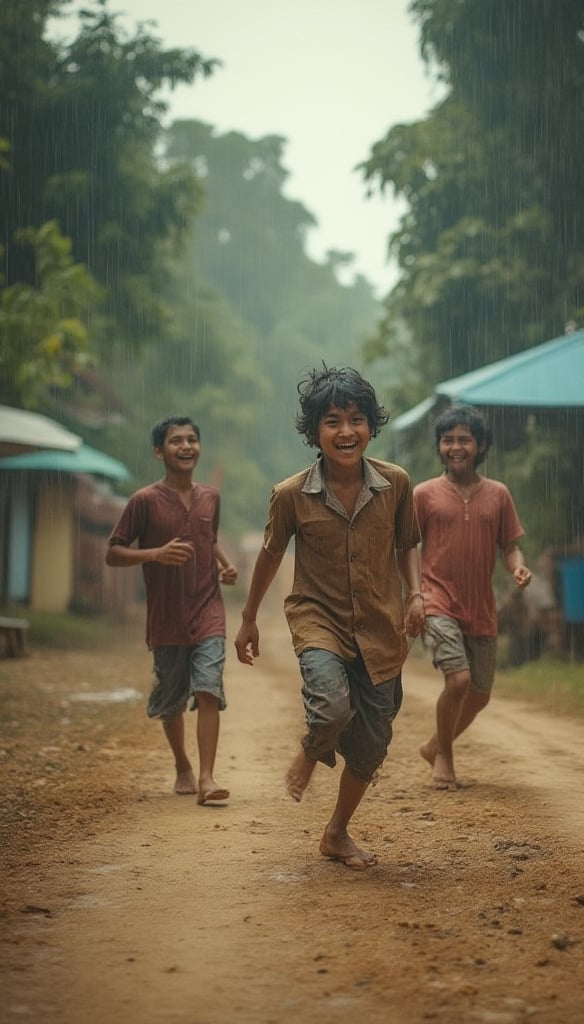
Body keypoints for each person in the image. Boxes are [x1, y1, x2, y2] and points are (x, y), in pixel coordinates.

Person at [234, 366, 424, 871]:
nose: (346, 432)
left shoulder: (396, 484)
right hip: (319, 619)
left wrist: (417, 595)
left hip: (382, 627)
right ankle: (310, 752)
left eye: (356, 420)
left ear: (371, 425)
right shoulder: (291, 494)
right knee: (331, 707)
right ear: (314, 432)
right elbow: (271, 554)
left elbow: (408, 543)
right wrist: (250, 617)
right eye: (333, 421)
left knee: (372, 741)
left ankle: (337, 832)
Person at [105, 416, 238, 805]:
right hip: (166, 616)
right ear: (158, 451)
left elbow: (208, 539)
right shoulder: (143, 501)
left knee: (208, 689)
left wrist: (225, 565)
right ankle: (182, 763)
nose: (186, 446)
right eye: (175, 440)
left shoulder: (211, 496)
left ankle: (207, 779)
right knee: (172, 699)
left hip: (208, 608)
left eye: (192, 439)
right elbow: (113, 553)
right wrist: (155, 554)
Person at [414, 405, 532, 790]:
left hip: (481, 606)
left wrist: (517, 567)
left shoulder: (498, 495)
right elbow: (408, 548)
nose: (455, 446)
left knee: (480, 694)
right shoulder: (424, 495)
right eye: (447, 440)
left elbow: (510, 546)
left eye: (464, 439)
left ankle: (435, 743)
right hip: (437, 600)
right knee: (460, 680)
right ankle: (445, 758)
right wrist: (413, 594)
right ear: (440, 447)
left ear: (481, 445)